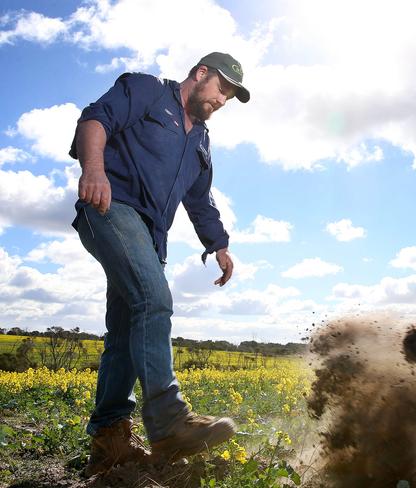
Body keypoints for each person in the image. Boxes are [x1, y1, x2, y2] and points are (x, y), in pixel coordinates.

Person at [69, 52, 250, 476]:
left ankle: (109, 437)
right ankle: (169, 420)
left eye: (230, 96)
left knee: (127, 330)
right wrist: (93, 168)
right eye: (222, 88)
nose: (223, 100)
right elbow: (95, 120)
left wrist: (219, 245)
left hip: (152, 237)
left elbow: (200, 200)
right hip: (112, 206)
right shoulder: (149, 91)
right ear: (200, 74)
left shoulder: (201, 140)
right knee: (154, 301)